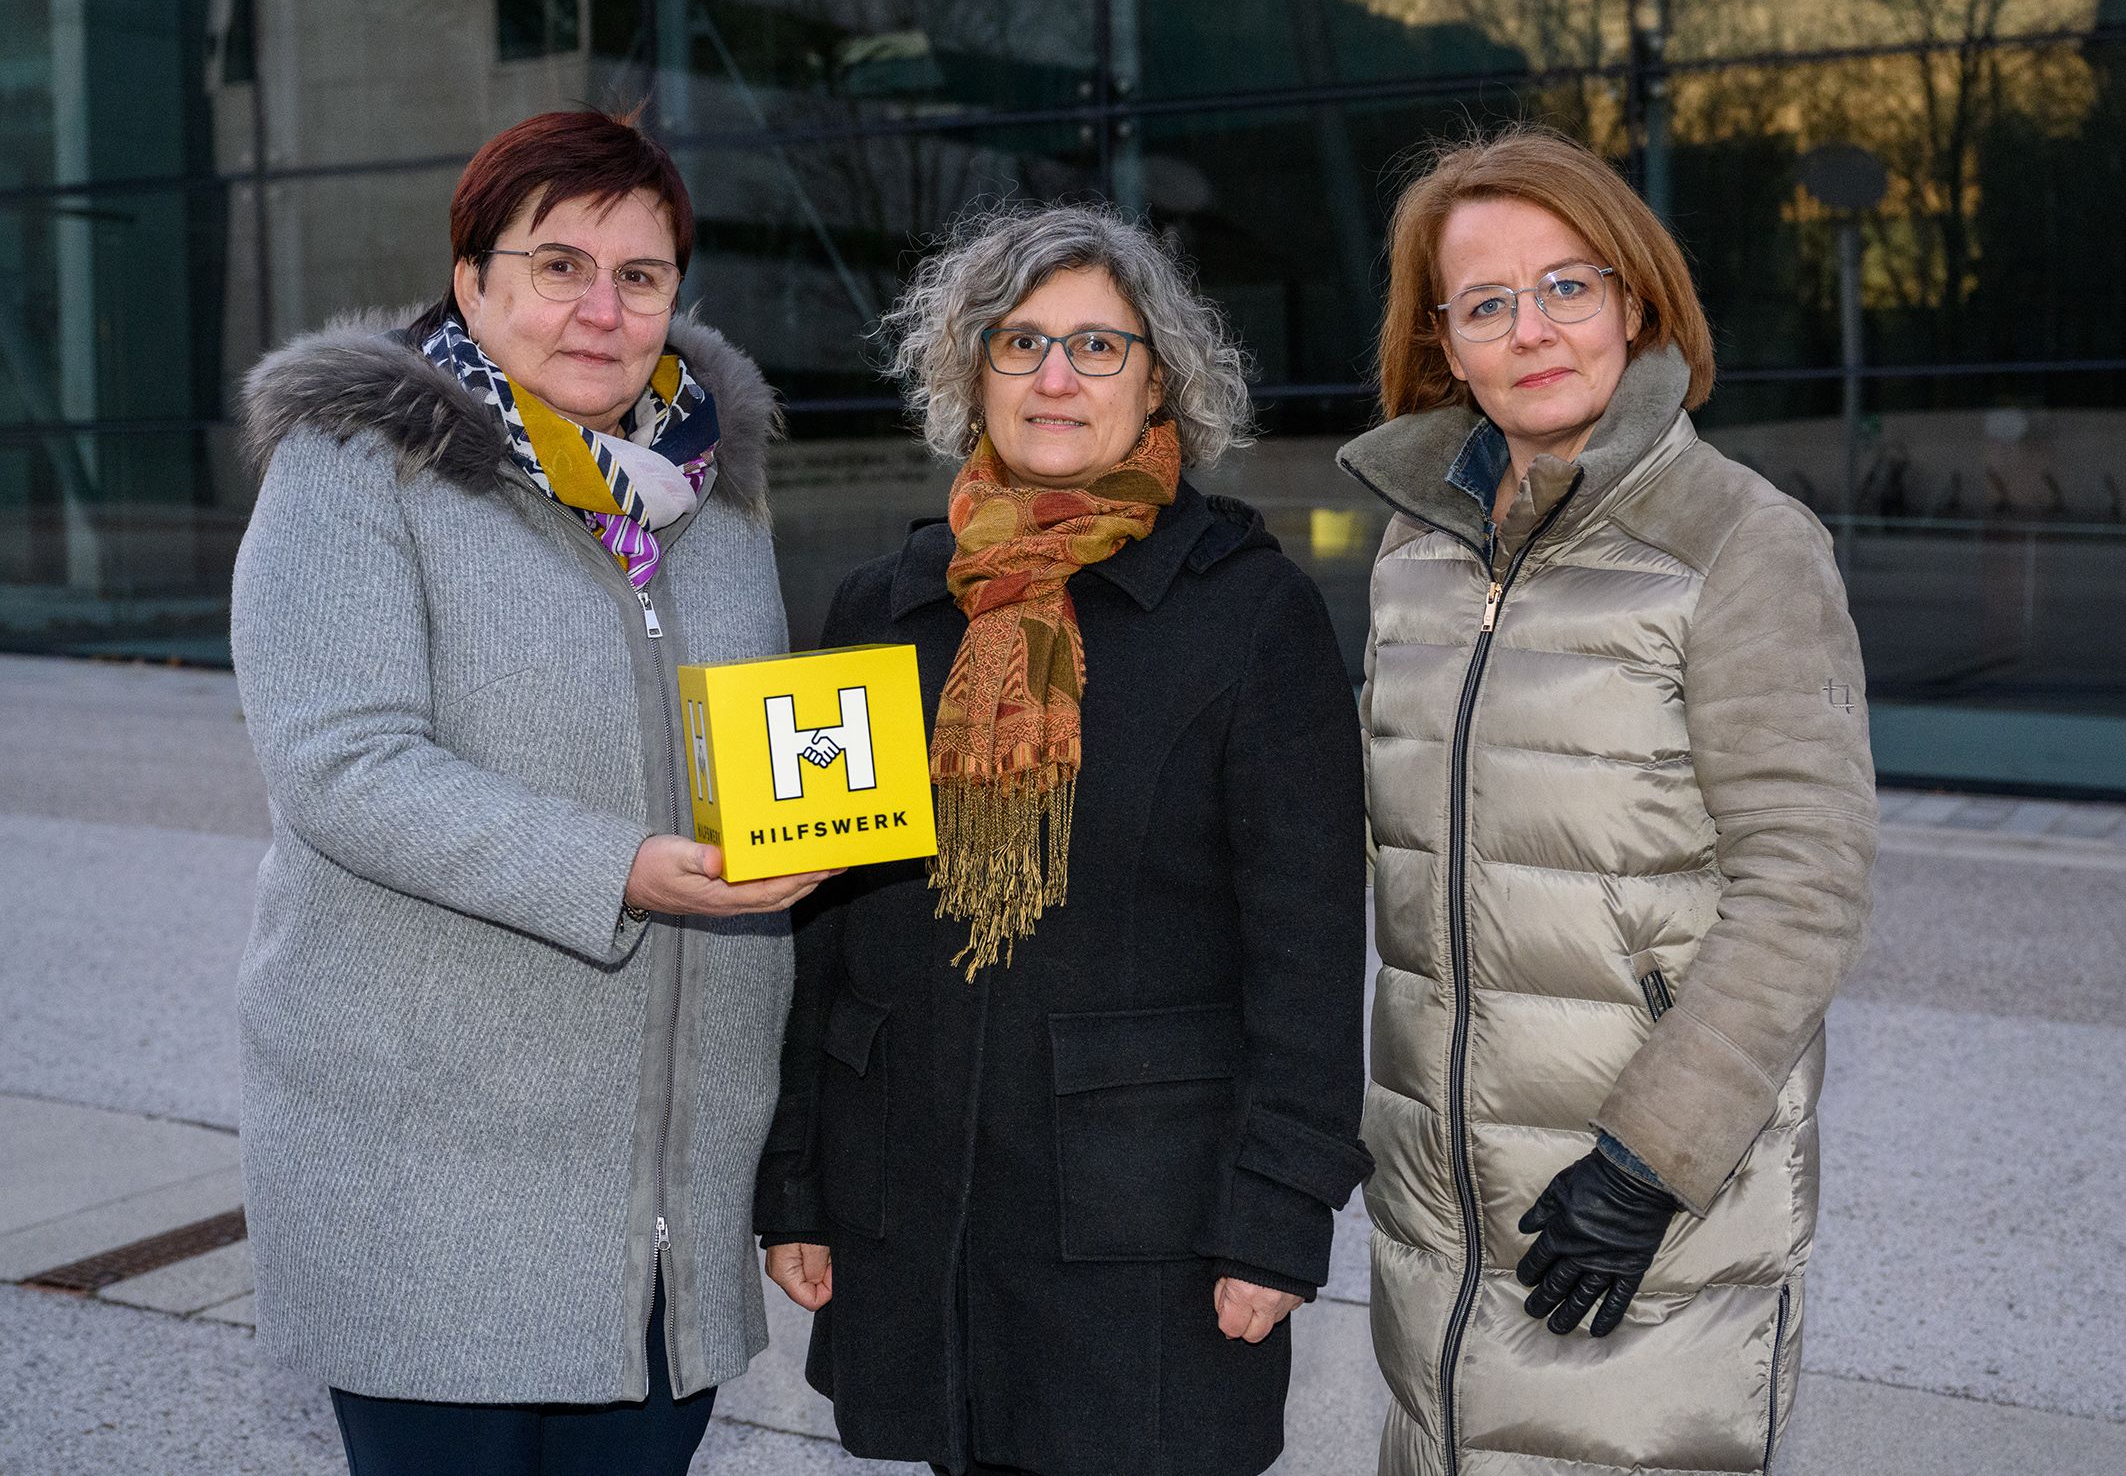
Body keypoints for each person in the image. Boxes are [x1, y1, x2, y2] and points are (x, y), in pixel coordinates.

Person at [230, 108, 832, 1476]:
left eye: (641, 275)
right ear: (473, 282)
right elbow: (344, 764)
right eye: (558, 265)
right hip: (435, 1179)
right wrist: (620, 863)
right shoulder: (354, 469)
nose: (601, 309)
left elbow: (753, 749)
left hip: (664, 1199)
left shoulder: (716, 497)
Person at [751, 204, 1373, 1476]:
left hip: (1146, 1231)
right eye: (1018, 341)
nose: (1052, 377)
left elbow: (1308, 951)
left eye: (1097, 347)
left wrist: (1278, 1213)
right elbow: (817, 928)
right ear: (967, 371)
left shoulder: (1251, 612)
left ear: (1159, 380)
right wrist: (796, 1181)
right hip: (914, 1207)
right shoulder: (881, 605)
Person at [1344, 126, 1877, 1476]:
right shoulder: (1413, 557)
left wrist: (1650, 1157)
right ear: (1444, 345)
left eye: (1568, 284)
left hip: (1645, 1204)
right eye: (1486, 302)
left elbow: (1802, 884)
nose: (1533, 329)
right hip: (1438, 1214)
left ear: (1636, 303)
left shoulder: (1741, 543)